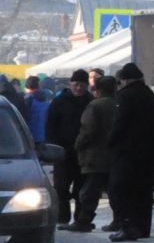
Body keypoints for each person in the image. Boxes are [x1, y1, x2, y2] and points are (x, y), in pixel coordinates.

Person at [106, 62, 154, 242]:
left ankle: (127, 226)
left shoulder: (125, 97)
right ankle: (142, 227)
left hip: (127, 153)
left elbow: (119, 124)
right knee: (143, 193)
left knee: (120, 190)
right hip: (149, 153)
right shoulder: (150, 96)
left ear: (124, 80)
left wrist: (110, 142)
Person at [70, 73, 117, 233]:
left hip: (94, 156)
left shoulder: (95, 106)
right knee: (114, 190)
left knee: (89, 191)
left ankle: (84, 220)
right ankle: (118, 220)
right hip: (115, 155)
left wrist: (77, 146)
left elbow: (87, 131)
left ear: (97, 90)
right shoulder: (119, 104)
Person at [44, 70, 91, 229]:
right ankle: (62, 217)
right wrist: (54, 146)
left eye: (82, 85)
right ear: (70, 84)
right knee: (61, 188)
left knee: (81, 189)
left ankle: (79, 218)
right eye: (76, 84)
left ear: (86, 85)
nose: (78, 88)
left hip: (83, 153)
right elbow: (50, 126)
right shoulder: (59, 102)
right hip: (62, 153)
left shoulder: (90, 102)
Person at [22, 75, 50, 146]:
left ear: (27, 87)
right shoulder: (45, 99)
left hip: (29, 136)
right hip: (43, 136)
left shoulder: (28, 99)